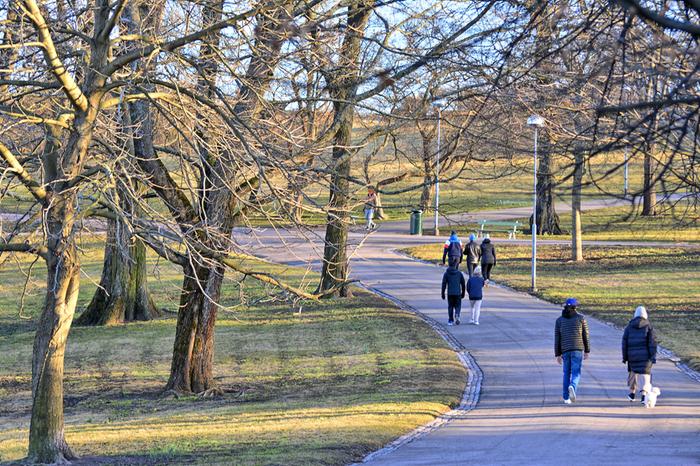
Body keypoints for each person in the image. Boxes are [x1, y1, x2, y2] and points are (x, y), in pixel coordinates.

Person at [554, 298, 590, 404]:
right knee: (576, 372)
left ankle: (566, 398)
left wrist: (558, 354)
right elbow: (585, 335)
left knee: (566, 373)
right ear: (575, 307)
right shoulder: (581, 318)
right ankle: (573, 386)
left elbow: (557, 338)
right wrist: (587, 350)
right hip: (577, 349)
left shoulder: (559, 320)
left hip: (565, 350)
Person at [622, 306, 658, 404]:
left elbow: (624, 343)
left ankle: (632, 394)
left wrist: (625, 357)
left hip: (632, 356)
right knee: (645, 375)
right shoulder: (649, 326)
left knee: (633, 374)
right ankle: (644, 395)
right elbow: (652, 343)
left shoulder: (629, 327)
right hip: (645, 356)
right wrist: (653, 356)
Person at [441, 258, 465, 326]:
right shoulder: (459, 273)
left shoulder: (446, 273)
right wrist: (463, 293)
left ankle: (450, 320)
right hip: (457, 293)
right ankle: (457, 314)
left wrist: (442, 293)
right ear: (456, 265)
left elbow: (444, 284)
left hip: (450, 293)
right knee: (458, 305)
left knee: (450, 306)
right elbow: (463, 284)